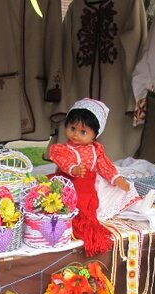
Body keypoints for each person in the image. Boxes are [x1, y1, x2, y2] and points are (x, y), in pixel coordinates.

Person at [49, 98, 130, 256]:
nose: (75, 135)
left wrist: (116, 178)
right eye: (72, 128)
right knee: (68, 205)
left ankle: (88, 228)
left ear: (95, 135)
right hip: (69, 183)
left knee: (90, 206)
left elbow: (105, 165)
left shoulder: (96, 149)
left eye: (83, 132)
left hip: (88, 185)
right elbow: (63, 161)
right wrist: (73, 169)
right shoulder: (63, 149)